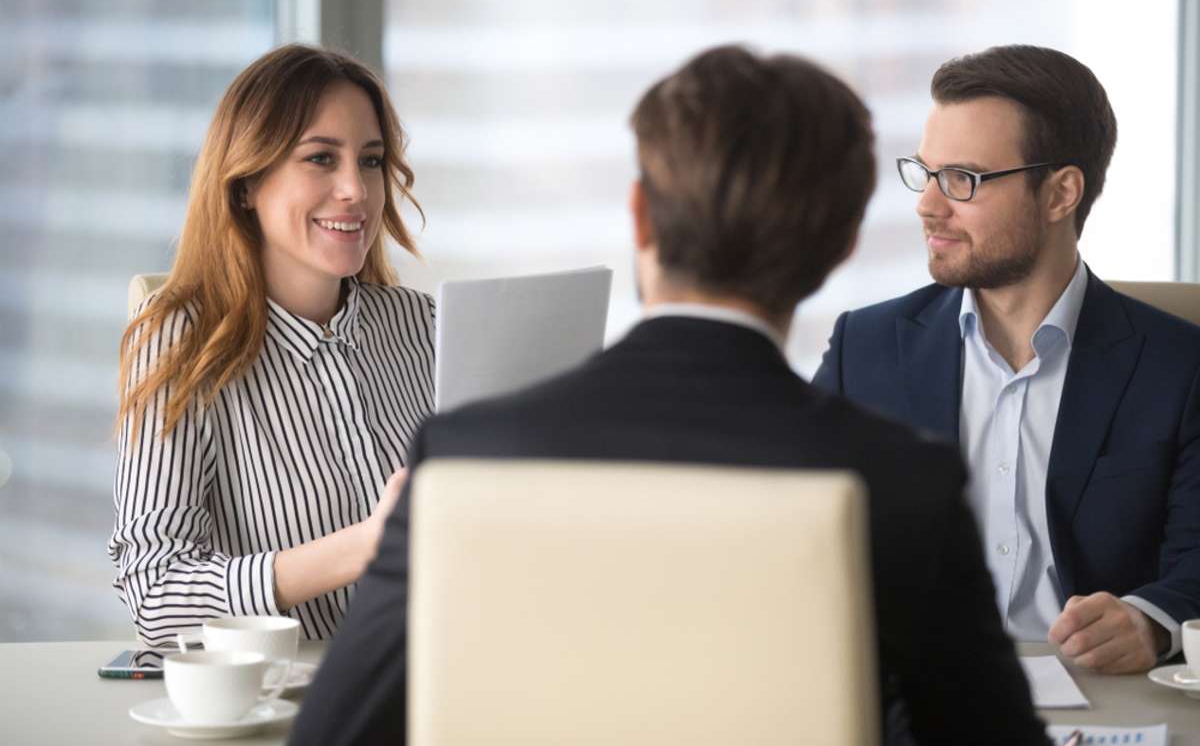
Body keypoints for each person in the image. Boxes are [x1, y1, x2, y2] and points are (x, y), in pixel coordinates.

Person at [292, 45, 1045, 745]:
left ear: (640, 215)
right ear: (841, 245)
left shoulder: (466, 456)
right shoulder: (903, 481)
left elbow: (335, 732)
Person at [813, 44, 1200, 674]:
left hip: (1100, 695)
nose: (928, 205)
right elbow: (797, 530)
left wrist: (1148, 620)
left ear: (1060, 194)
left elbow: (1198, 561)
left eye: (962, 180)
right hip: (915, 693)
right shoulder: (867, 347)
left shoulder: (1180, 366)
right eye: (925, 172)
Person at [108, 44, 436, 645]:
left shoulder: (423, 328)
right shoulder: (178, 341)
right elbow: (155, 592)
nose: (355, 192)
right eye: (320, 159)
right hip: (298, 713)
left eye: (369, 161)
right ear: (245, 186)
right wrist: (364, 547)